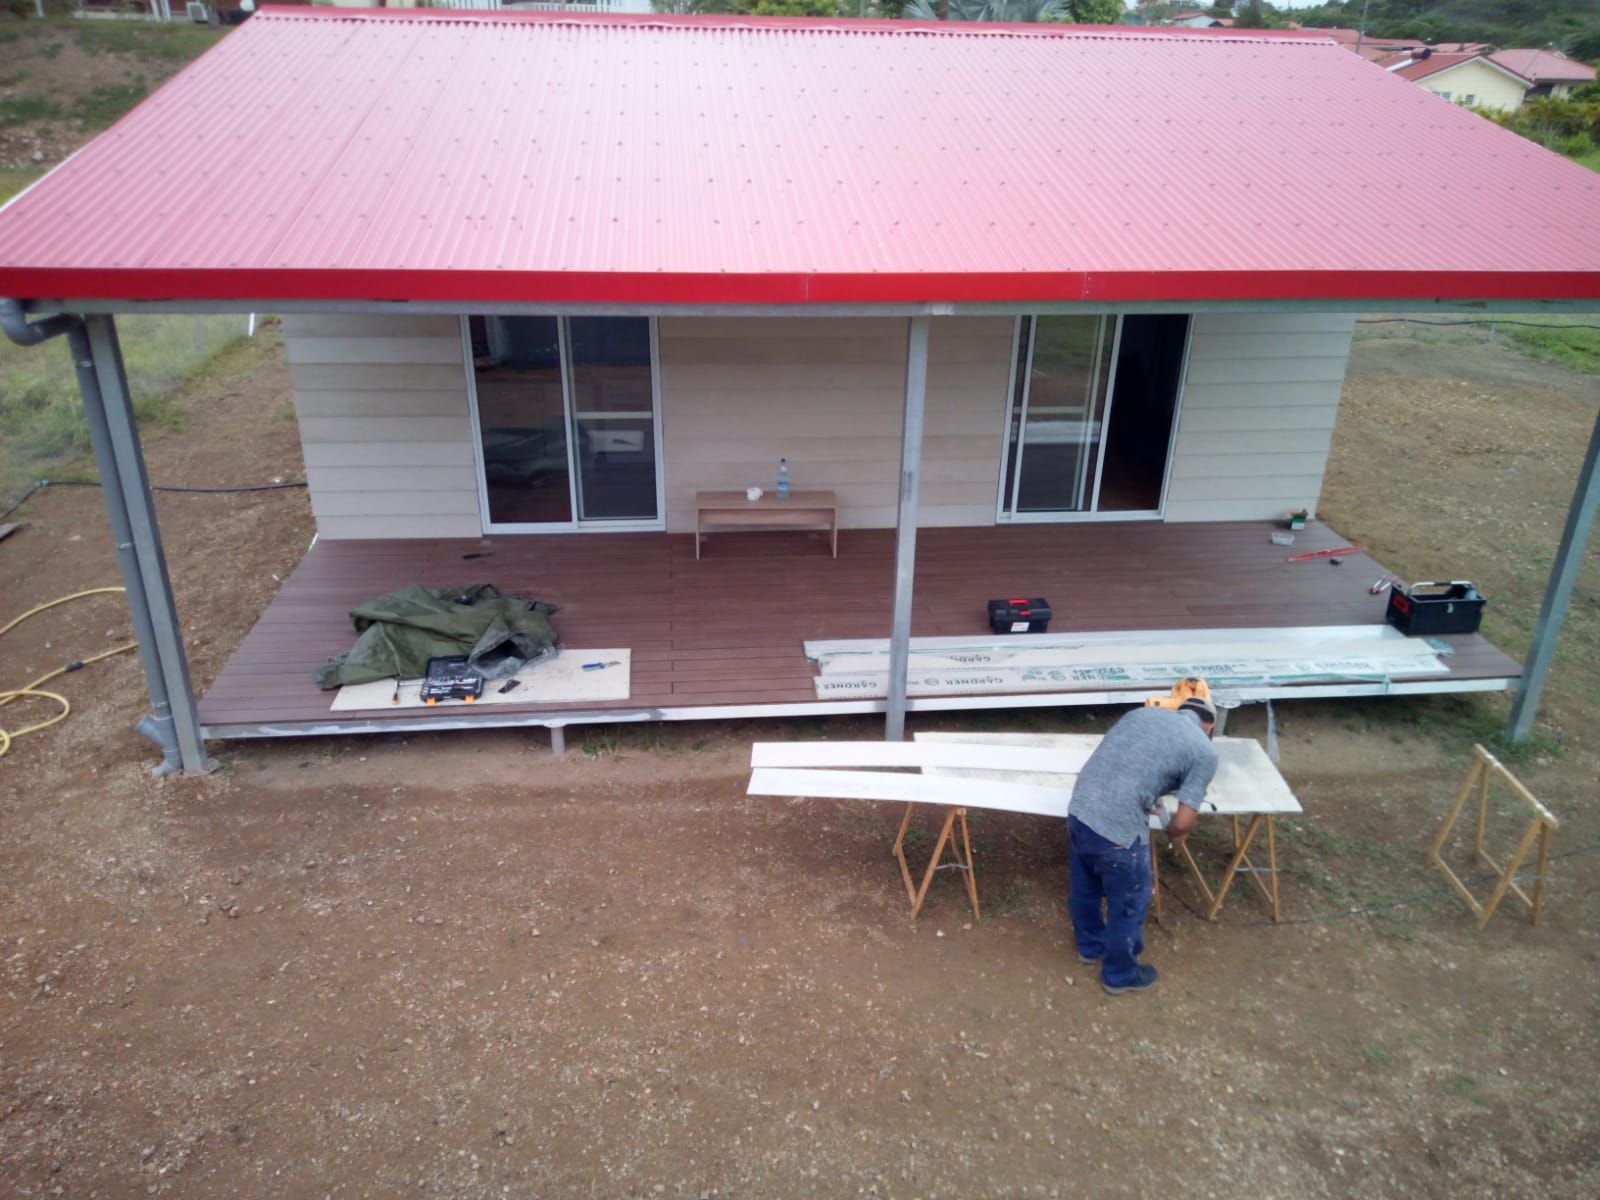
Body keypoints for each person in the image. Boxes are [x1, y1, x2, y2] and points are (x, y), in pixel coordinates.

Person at [1067, 696, 1218, 996]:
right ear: (1209, 727)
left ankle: (1090, 947)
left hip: (1079, 810)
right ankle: (1119, 975)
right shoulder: (1204, 751)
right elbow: (1185, 821)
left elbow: (1121, 761)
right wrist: (1173, 832)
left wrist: (1146, 795)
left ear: (1181, 711)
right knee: (1128, 903)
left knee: (1085, 887)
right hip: (1117, 834)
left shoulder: (1140, 715)